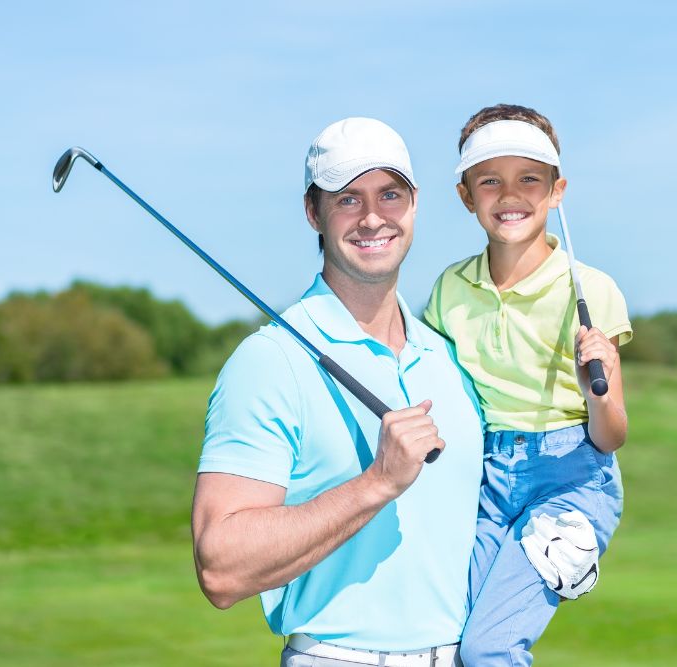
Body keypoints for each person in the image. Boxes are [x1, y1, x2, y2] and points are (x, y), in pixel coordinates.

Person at [192, 117, 485, 667]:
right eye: (348, 199)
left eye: (390, 194)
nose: (374, 217)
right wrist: (377, 483)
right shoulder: (270, 360)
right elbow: (221, 566)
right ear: (313, 213)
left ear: (415, 204)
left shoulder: (450, 356)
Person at [424, 104, 633, 666]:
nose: (509, 194)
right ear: (467, 195)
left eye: (529, 179)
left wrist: (600, 392)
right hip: (486, 481)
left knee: (490, 648)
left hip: (569, 479)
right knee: (445, 641)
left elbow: (611, 436)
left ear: (556, 191)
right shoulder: (450, 288)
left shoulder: (591, 289)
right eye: (490, 180)